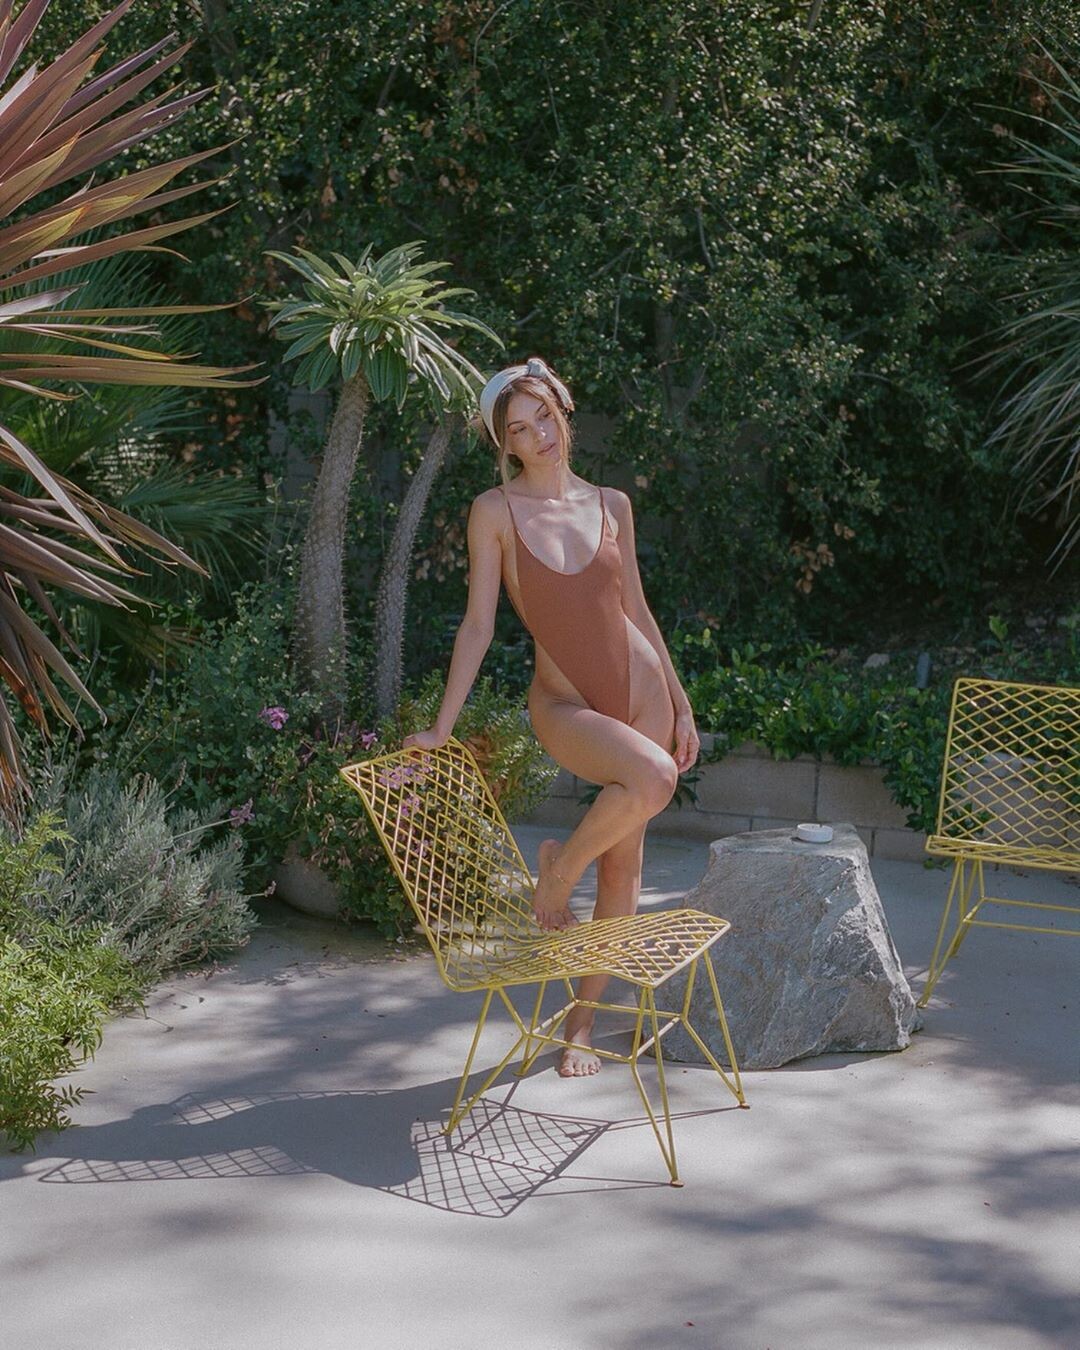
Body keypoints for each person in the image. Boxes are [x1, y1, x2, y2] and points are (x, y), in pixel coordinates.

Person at [403, 356, 700, 1077]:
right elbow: (478, 625)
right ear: (503, 442)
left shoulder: (612, 504)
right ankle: (561, 871)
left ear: (563, 411)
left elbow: (637, 609)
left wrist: (683, 703)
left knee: (625, 868)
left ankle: (581, 1025)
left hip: (644, 693)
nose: (539, 435)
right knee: (655, 779)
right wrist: (442, 727)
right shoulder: (495, 512)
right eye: (519, 428)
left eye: (545, 417)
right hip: (563, 702)